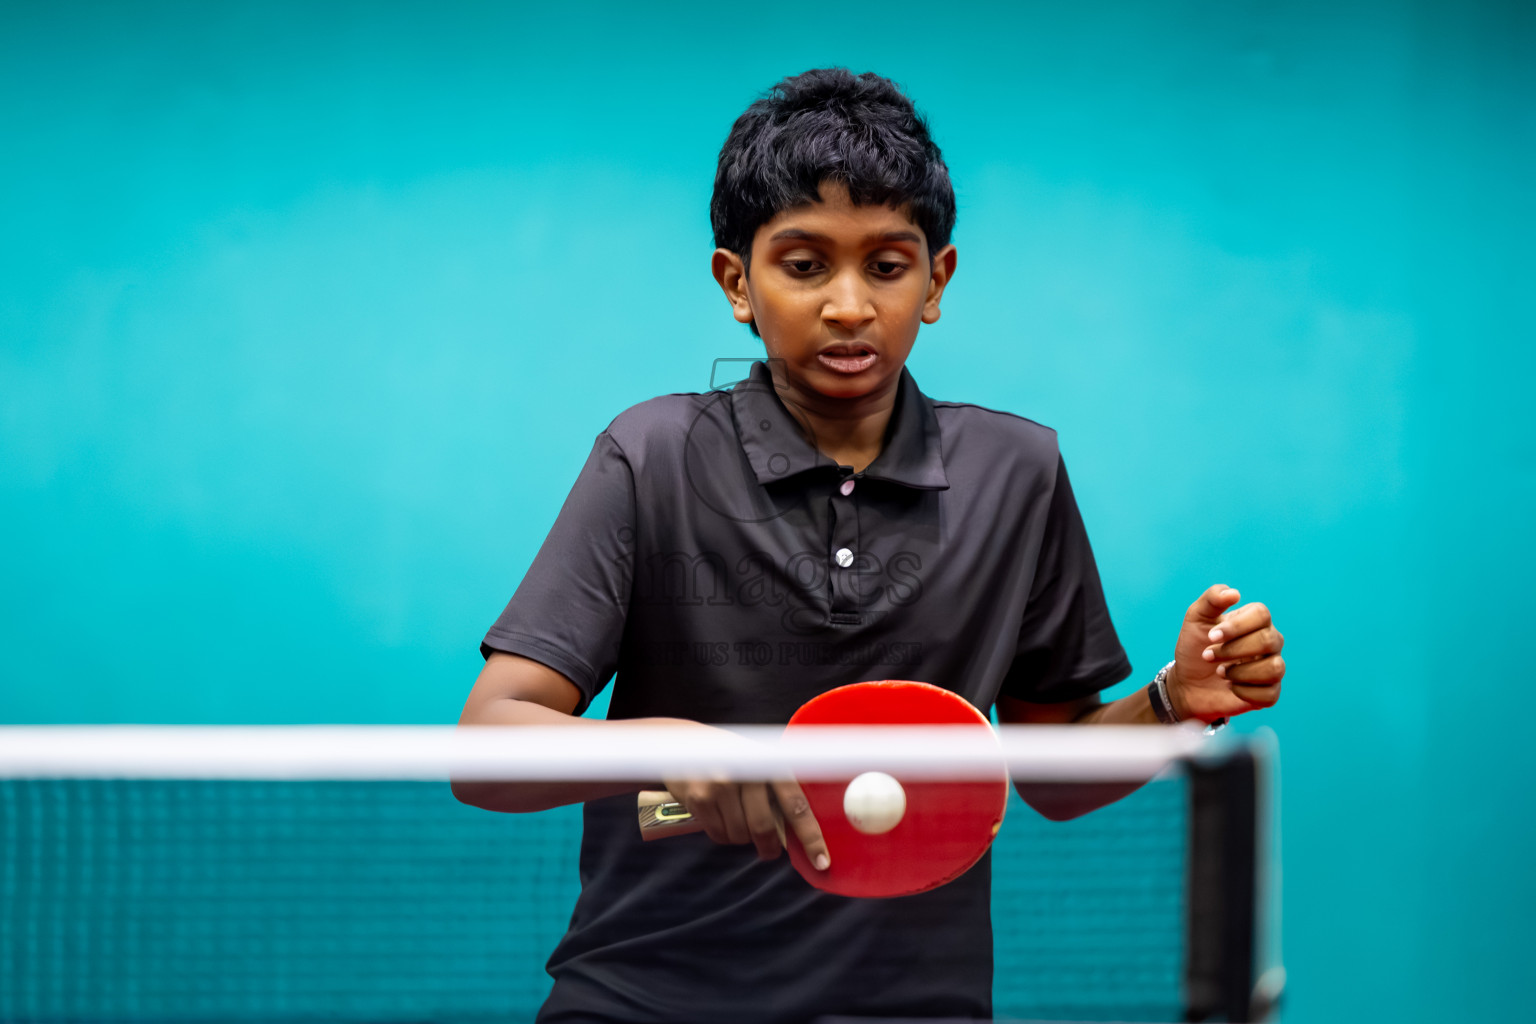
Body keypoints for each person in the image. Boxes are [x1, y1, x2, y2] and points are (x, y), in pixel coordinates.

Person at [453, 67, 1286, 1024]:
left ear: (937, 280)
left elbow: (1051, 771)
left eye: (886, 266)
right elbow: (488, 747)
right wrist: (669, 746)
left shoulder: (1017, 471)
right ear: (737, 283)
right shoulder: (651, 455)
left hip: (910, 1009)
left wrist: (1177, 702)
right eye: (805, 265)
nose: (848, 306)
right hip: (643, 1002)